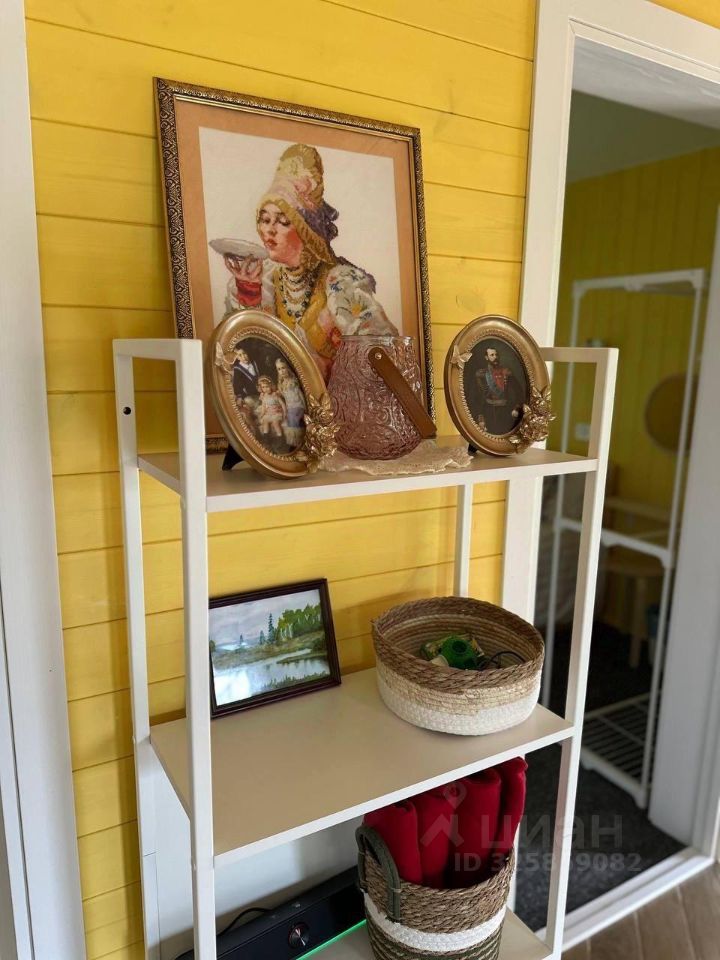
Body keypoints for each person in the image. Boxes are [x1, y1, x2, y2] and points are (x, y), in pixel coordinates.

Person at [215, 143, 397, 379]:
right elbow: (234, 356)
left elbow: (384, 355)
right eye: (264, 219)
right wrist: (248, 293)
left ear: (305, 229)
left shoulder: (340, 281)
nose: (269, 230)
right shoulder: (263, 277)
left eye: (282, 221)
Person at [474, 346, 525, 435]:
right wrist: (480, 417)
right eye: (492, 355)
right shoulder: (481, 374)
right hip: (488, 411)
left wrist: (516, 408)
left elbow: (519, 392)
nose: (495, 357)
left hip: (505, 411)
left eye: (496, 354)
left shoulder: (506, 372)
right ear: (486, 357)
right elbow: (477, 397)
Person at [275, 358, 306, 448]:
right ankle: (292, 442)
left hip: (298, 406)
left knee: (292, 416)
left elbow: (300, 395)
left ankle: (295, 442)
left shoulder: (293, 381)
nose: (282, 371)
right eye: (279, 369)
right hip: (290, 407)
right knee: (286, 416)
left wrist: (305, 408)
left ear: (288, 368)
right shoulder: (281, 384)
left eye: (283, 368)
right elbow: (284, 397)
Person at [256, 376, 287, 443]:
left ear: (271, 386)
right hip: (269, 413)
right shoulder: (264, 396)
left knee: (275, 422)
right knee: (265, 421)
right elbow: (263, 407)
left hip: (277, 413)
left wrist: (285, 413)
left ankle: (280, 437)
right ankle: (266, 437)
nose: (265, 389)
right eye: (263, 387)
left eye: (267, 387)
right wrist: (261, 415)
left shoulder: (275, 394)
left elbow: (282, 404)